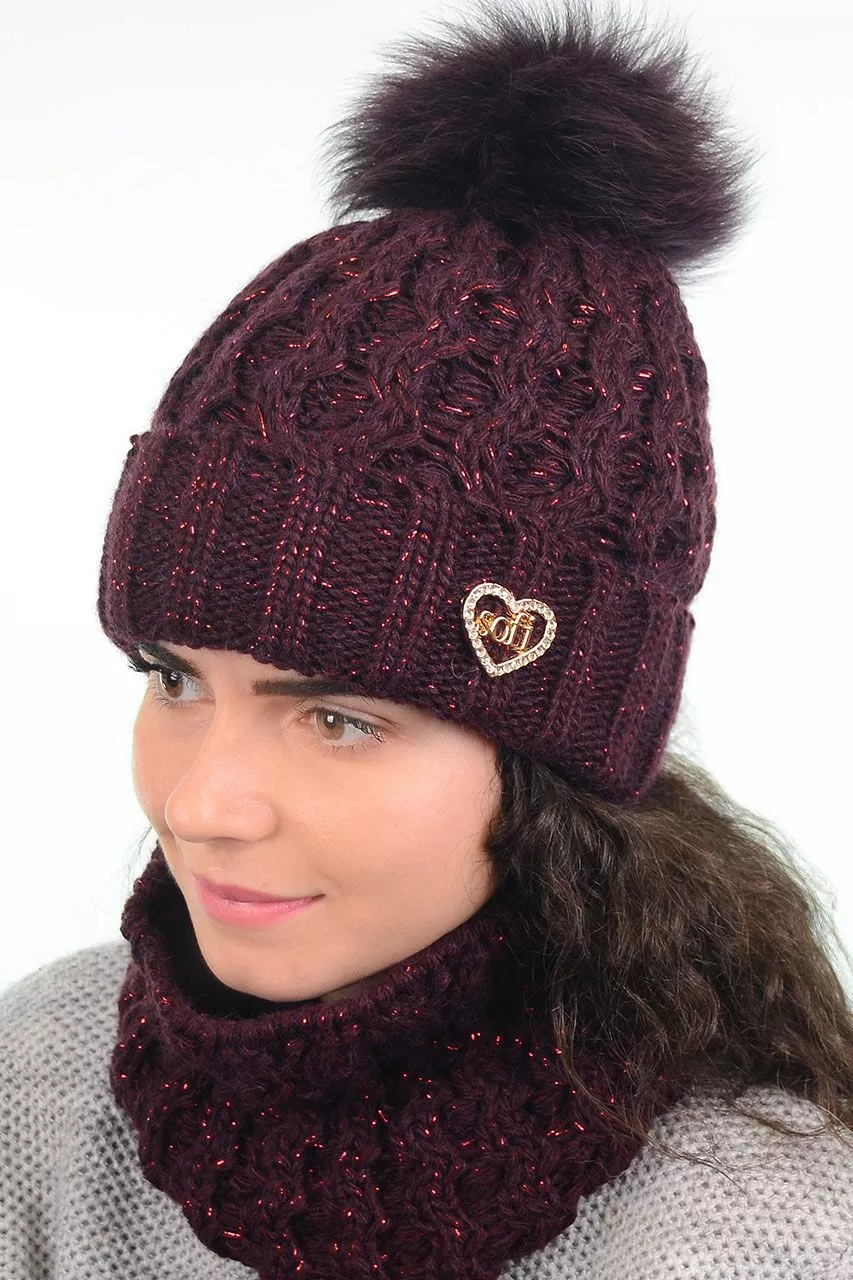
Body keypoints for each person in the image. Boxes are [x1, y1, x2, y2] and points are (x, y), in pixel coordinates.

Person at [2, 1, 852, 1277]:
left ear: (558, 772)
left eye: (339, 717)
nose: (200, 803)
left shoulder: (763, 1221)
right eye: (174, 678)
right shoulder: (38, 1083)